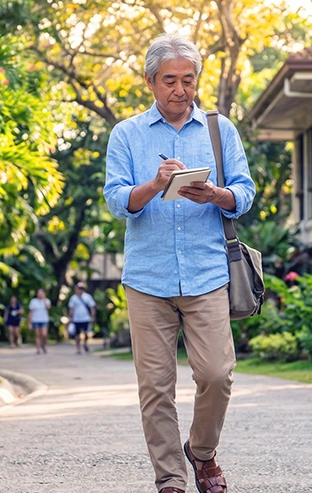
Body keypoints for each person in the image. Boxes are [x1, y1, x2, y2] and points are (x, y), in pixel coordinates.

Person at [102, 33, 255, 493]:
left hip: (207, 274)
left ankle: (202, 452)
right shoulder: (126, 134)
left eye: (188, 80)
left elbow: (244, 193)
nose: (180, 90)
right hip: (147, 279)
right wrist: (154, 183)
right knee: (156, 388)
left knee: (216, 375)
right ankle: (171, 478)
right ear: (151, 81)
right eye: (170, 80)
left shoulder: (219, 129)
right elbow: (115, 199)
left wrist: (215, 195)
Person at [67, 281, 96, 354]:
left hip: (85, 318)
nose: (80, 290)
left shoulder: (87, 297)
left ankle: (85, 343)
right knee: (77, 334)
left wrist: (92, 316)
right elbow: (71, 309)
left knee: (86, 333)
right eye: (79, 288)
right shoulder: (73, 298)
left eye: (81, 288)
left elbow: (92, 307)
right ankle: (78, 348)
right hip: (76, 319)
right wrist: (70, 317)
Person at [27, 288, 51, 355]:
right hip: (36, 320)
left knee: (44, 334)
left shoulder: (47, 301)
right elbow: (31, 312)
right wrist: (29, 322)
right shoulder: (33, 301)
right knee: (37, 335)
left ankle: (43, 344)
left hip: (44, 320)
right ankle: (38, 349)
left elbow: (48, 308)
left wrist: (44, 300)